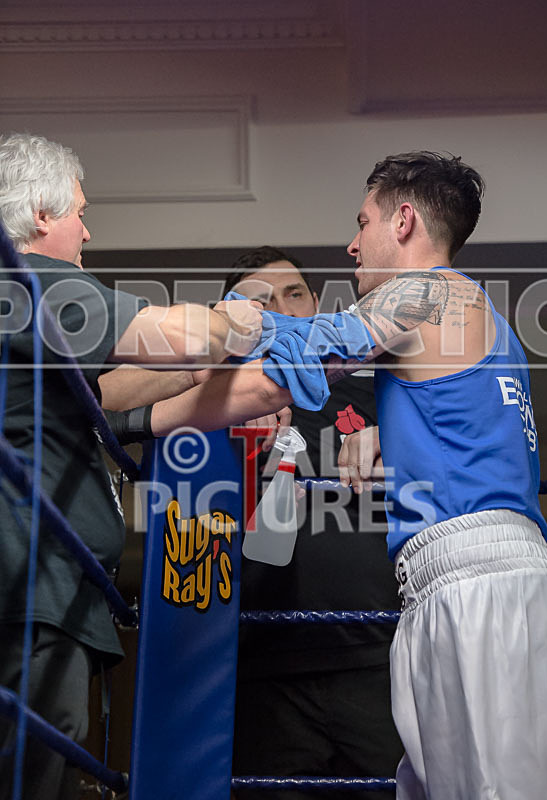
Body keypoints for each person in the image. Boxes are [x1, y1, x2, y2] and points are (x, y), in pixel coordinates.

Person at [145, 151, 547, 800]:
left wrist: (240, 321)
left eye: (362, 220)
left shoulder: (428, 290)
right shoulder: (469, 312)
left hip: (477, 578)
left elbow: (316, 351)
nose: (351, 243)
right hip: (449, 579)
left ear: (402, 221)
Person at [0, 132, 262, 800]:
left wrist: (245, 375)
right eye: (79, 212)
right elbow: (174, 336)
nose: (86, 230)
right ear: (40, 215)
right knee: (34, 761)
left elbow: (115, 396)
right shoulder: (35, 282)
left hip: (45, 588)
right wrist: (236, 320)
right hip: (33, 585)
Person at [220, 247, 402, 798]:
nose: (280, 308)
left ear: (317, 305)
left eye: (293, 294)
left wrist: (390, 441)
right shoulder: (209, 397)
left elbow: (448, 460)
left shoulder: (378, 391)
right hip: (264, 661)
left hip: (375, 654)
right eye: (259, 300)